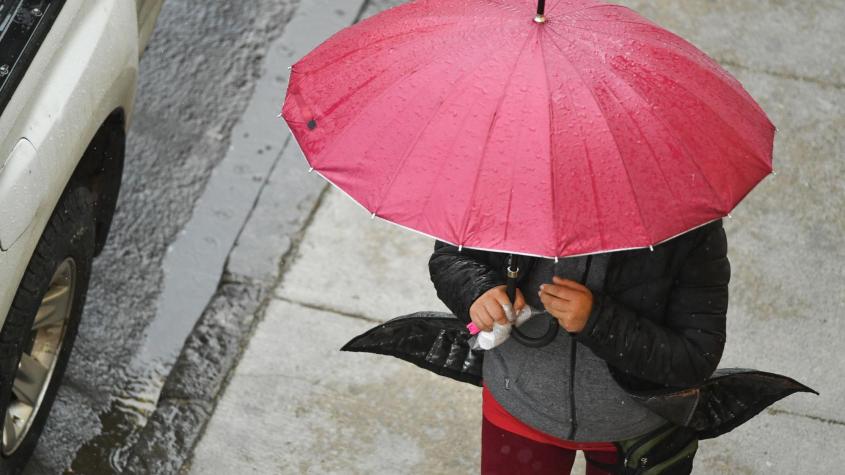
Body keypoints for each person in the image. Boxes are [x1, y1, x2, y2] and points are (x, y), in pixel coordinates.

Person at [428, 219, 731, 474]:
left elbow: (695, 355)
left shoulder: (687, 226)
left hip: (635, 430)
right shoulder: (510, 186)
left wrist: (597, 320)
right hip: (518, 407)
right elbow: (450, 257)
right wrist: (478, 290)